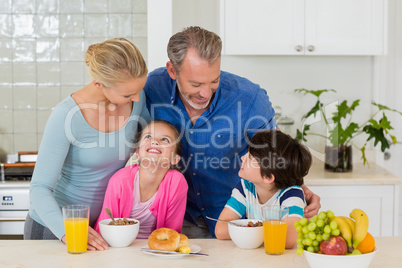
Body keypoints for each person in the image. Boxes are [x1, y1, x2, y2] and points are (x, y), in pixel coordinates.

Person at [143, 26, 320, 238]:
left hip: (237, 221)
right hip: (175, 218)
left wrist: (300, 189)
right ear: (172, 70)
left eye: (214, 81)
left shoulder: (249, 98)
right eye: (196, 84)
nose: (206, 93)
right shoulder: (153, 88)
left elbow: (276, 153)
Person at [24, 38, 151, 251]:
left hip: (107, 226)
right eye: (128, 94)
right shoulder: (67, 116)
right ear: (99, 84)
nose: (137, 98)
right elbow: (39, 188)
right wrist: (66, 230)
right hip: (57, 229)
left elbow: (151, 143)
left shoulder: (136, 100)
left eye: (139, 90)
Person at [215, 130, 312, 248]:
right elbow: (220, 230)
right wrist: (264, 231)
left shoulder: (292, 194)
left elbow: (288, 238)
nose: (242, 158)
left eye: (250, 157)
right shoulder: (246, 187)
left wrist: (251, 228)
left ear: (267, 177)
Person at [94, 120, 188, 238]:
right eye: (148, 136)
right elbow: (106, 229)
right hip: (115, 246)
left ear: (175, 159)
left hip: (155, 250)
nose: (154, 141)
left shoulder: (176, 182)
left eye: (165, 139)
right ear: (137, 153)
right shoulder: (120, 180)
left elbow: (170, 234)